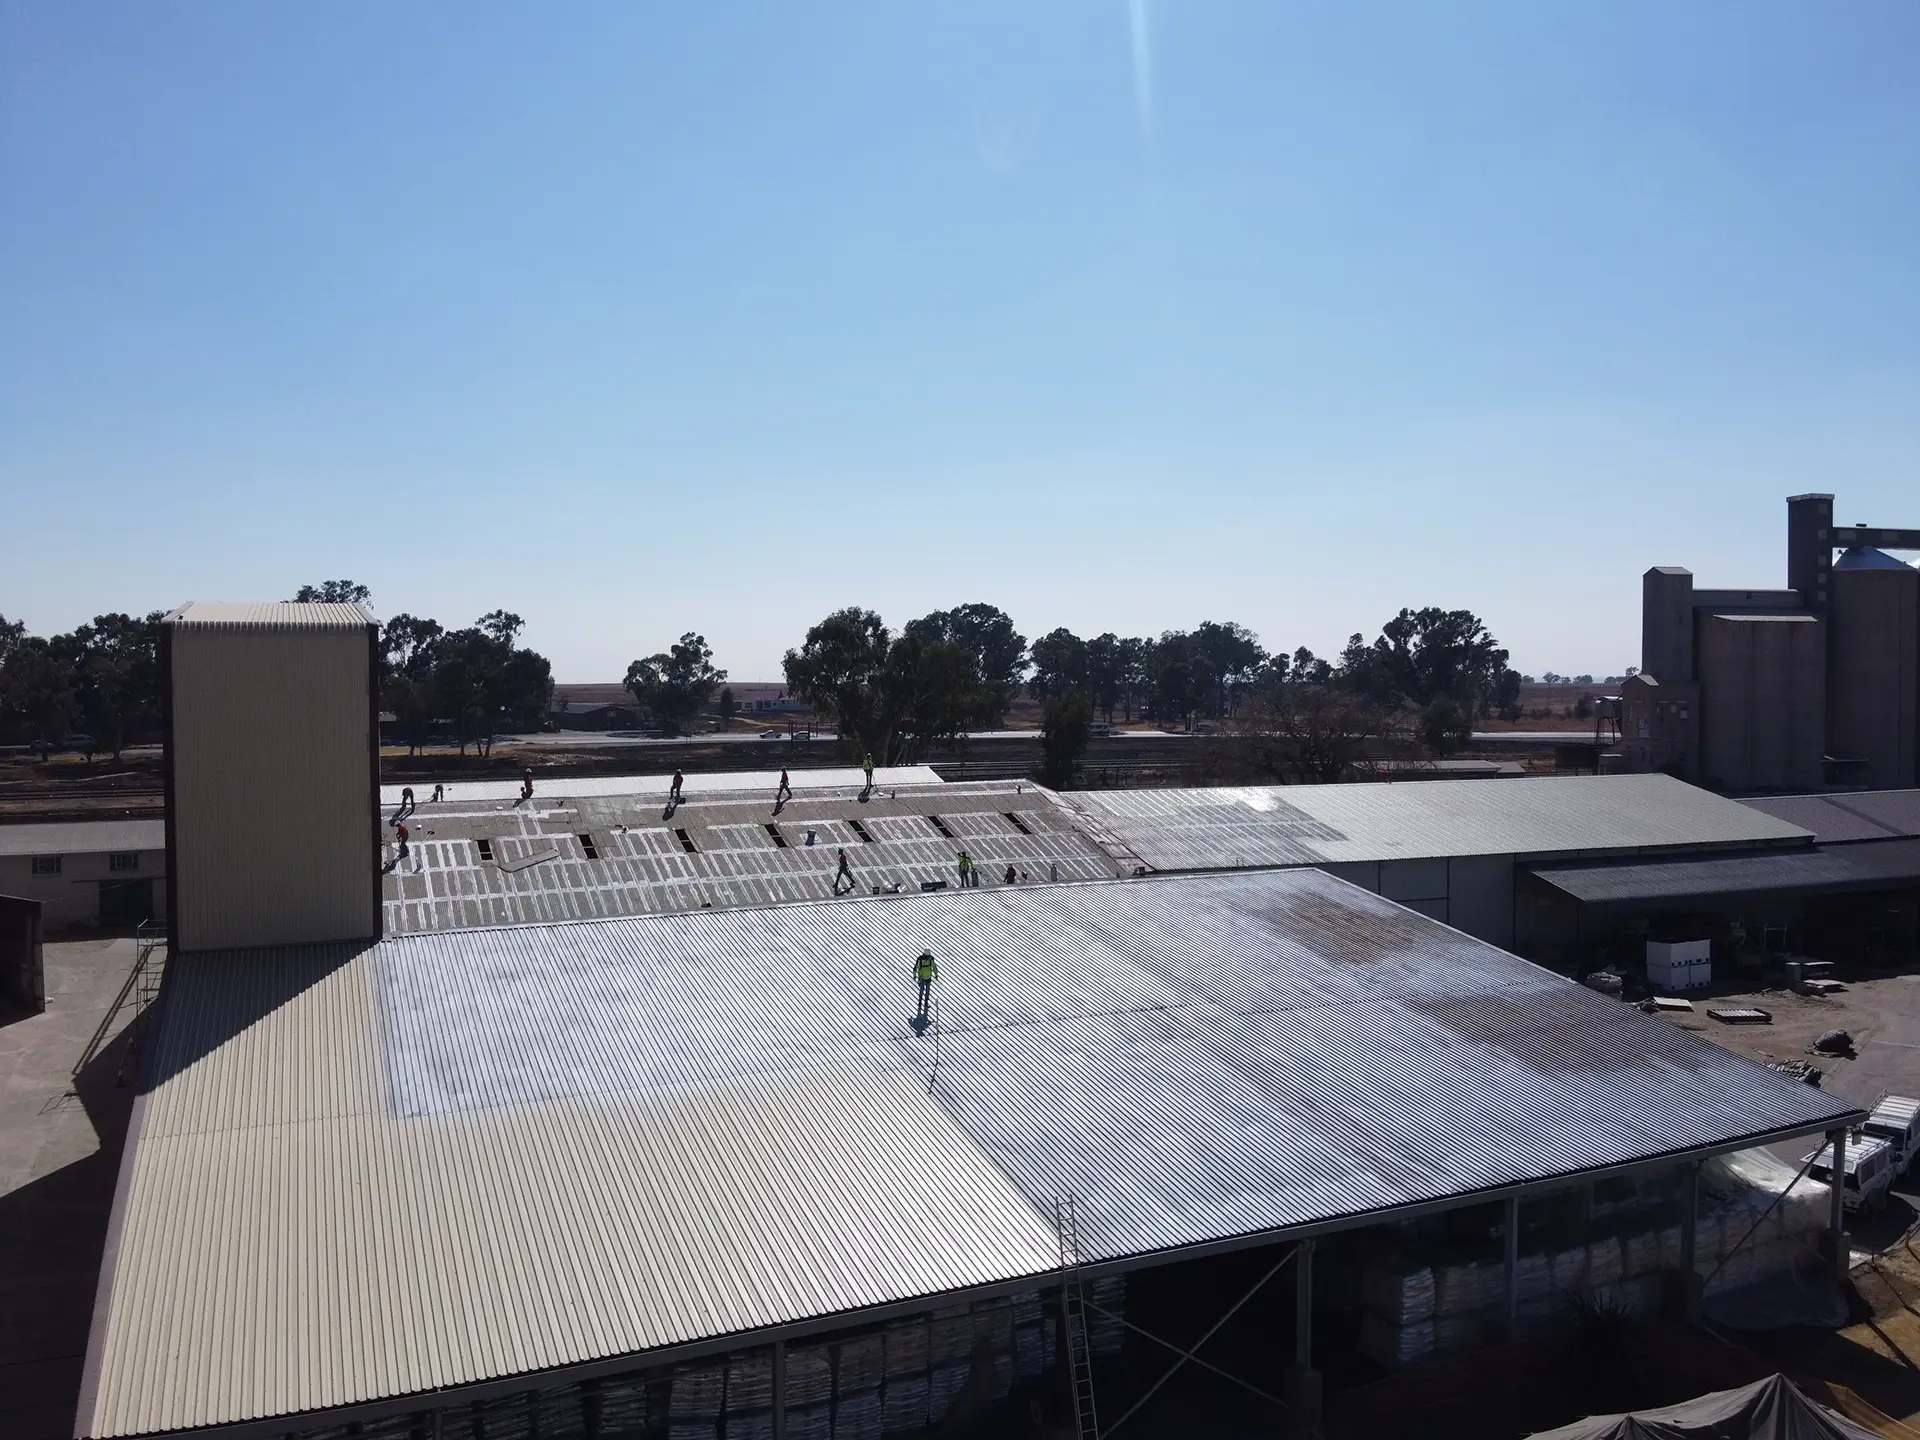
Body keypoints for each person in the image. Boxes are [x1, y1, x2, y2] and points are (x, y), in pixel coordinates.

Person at [914, 949, 938, 1028]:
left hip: (921, 978)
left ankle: (920, 1004)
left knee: (922, 991)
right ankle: (925, 1004)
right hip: (928, 978)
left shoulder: (920, 959)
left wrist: (914, 976)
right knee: (927, 991)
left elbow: (915, 968)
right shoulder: (931, 959)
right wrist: (936, 974)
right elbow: (934, 967)